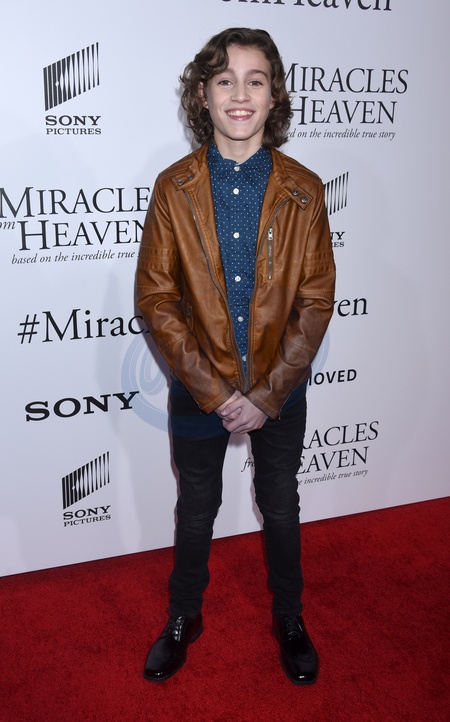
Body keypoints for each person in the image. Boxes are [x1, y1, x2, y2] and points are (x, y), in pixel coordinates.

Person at [136, 27, 335, 685]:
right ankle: (183, 615)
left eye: (256, 80)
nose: (240, 94)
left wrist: (269, 393)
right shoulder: (174, 187)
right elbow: (157, 298)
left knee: (280, 504)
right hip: (200, 389)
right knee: (196, 507)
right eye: (225, 80)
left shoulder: (305, 189)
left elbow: (315, 300)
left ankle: (289, 617)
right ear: (204, 94)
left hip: (282, 387)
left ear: (274, 94)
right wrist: (218, 393)